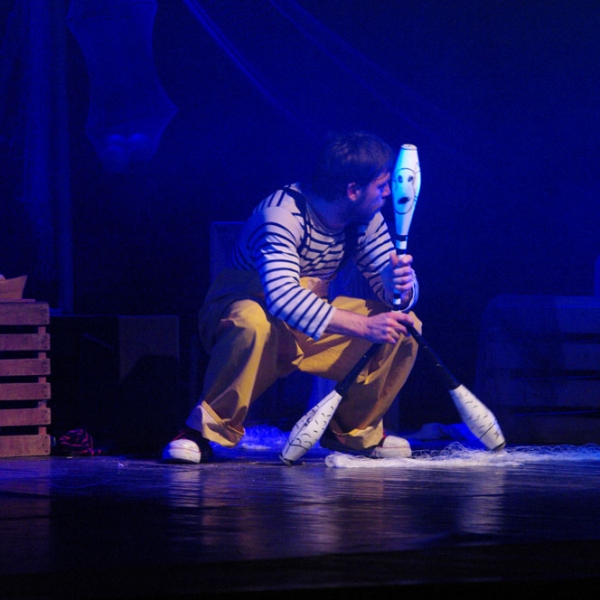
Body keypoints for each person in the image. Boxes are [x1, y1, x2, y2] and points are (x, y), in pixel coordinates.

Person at [162, 130, 422, 464]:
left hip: (305, 319)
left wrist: (398, 285)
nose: (389, 193)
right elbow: (282, 297)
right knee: (253, 322)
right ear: (352, 190)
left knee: (405, 326)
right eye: (382, 185)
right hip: (243, 310)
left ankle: (353, 432)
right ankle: (200, 431)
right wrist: (363, 326)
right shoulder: (281, 215)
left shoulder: (366, 220)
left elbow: (399, 295)